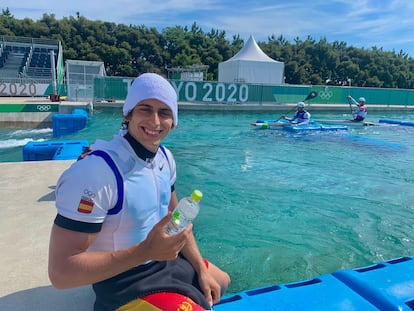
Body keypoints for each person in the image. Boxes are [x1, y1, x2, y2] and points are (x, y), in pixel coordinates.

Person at [48, 73, 231, 311]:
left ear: (173, 121)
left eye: (164, 112)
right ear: (128, 113)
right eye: (145, 109)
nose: (155, 121)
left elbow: (177, 219)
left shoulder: (165, 159)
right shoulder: (96, 173)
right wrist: (145, 251)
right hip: (121, 280)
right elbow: (61, 273)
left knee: (222, 281)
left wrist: (200, 268)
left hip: (163, 262)